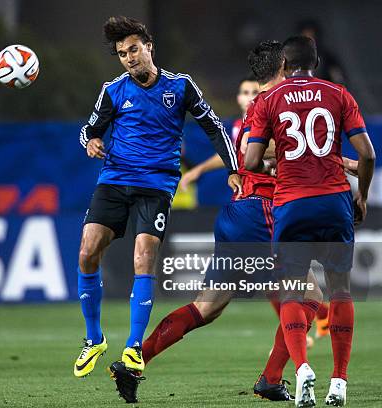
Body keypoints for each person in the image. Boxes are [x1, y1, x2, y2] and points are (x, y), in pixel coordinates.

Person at [112, 40, 331, 404]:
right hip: (262, 212)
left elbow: (245, 148)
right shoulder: (280, 103)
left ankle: (134, 363)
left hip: (237, 214)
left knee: (208, 305)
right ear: (285, 67)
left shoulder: (254, 108)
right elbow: (256, 154)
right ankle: (271, 378)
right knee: (310, 294)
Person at [73, 15, 239, 392]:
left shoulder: (180, 87)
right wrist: (91, 143)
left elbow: (214, 126)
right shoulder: (113, 90)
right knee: (86, 252)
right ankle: (93, 338)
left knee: (143, 257)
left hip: (156, 187)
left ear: (149, 47)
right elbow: (90, 129)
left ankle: (134, 345)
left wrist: (232, 168)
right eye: (121, 54)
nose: (129, 58)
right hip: (114, 180)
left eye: (133, 49)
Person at [245, 36, 375, 407]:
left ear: (283, 65)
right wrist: (361, 194)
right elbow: (367, 154)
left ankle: (301, 369)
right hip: (334, 201)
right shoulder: (338, 94)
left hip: (291, 205)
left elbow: (251, 161)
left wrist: (275, 160)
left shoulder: (268, 100)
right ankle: (340, 382)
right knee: (340, 291)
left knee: (291, 291)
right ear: (315, 63)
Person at [179, 76, 258, 191]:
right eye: (245, 93)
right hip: (247, 192)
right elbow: (232, 153)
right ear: (238, 98)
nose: (250, 97)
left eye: (255, 92)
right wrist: (199, 170)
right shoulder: (238, 125)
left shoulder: (267, 124)